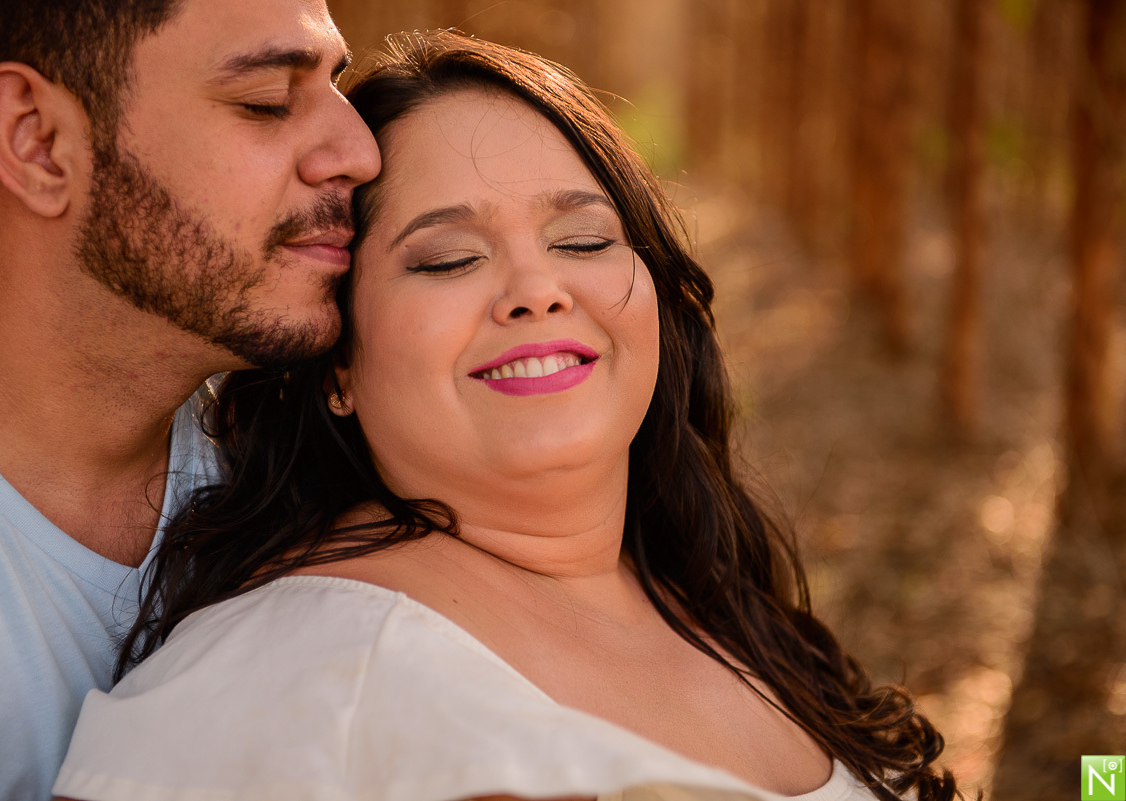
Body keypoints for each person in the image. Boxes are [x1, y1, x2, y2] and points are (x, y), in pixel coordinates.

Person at [53, 31, 959, 801]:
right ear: (338, 366)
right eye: (448, 259)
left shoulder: (713, 594)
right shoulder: (279, 689)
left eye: (584, 240)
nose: (537, 290)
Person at [0, 2, 380, 799]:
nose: (360, 151)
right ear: (36, 141)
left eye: (336, 89)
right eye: (267, 101)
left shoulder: (308, 473)